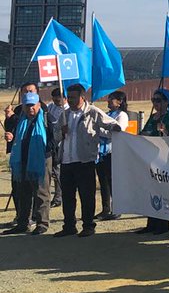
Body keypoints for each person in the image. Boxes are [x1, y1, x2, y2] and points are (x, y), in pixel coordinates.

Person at [55, 83, 126, 238]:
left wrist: (116, 130)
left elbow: (112, 124)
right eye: (69, 97)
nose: (70, 100)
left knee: (86, 196)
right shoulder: (64, 115)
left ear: (82, 97)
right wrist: (61, 132)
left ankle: (88, 225)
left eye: (73, 97)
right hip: (66, 161)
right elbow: (55, 136)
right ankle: (69, 226)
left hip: (84, 161)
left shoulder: (92, 112)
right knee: (68, 197)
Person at [5, 92, 53, 235]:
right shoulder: (20, 120)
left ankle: (42, 223)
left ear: (38, 105)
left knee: (41, 192)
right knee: (23, 193)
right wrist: (11, 136)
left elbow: (54, 138)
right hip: (23, 160)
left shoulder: (46, 119)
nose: (30, 108)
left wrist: (46, 150)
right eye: (27, 105)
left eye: (32, 105)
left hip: (41, 160)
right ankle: (22, 223)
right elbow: (14, 134)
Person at [136, 89, 169, 235]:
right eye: (154, 100)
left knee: (162, 192)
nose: (156, 103)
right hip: (149, 159)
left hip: (162, 160)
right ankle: (151, 223)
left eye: (159, 100)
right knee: (150, 191)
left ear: (166, 102)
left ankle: (163, 224)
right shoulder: (152, 117)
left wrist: (163, 131)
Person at [95, 90, 130, 221]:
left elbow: (117, 132)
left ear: (119, 102)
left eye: (112, 99)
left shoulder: (122, 115)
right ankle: (105, 208)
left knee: (113, 181)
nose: (108, 101)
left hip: (113, 151)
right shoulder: (107, 114)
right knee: (103, 181)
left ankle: (117, 208)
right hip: (101, 152)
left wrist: (99, 130)